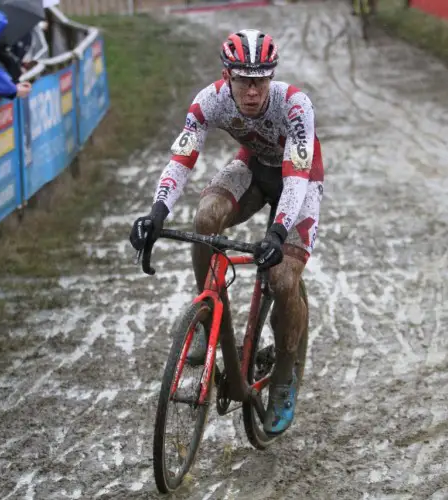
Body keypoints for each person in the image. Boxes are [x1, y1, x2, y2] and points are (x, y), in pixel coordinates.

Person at [129, 29, 323, 436]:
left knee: (283, 276)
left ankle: (285, 377)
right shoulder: (208, 101)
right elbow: (181, 159)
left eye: (260, 80)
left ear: (272, 77)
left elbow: (296, 179)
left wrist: (277, 233)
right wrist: (157, 210)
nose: (252, 91)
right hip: (252, 167)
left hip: (299, 180)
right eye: (242, 80)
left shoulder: (295, 105)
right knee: (205, 218)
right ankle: (207, 316)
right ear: (226, 76)